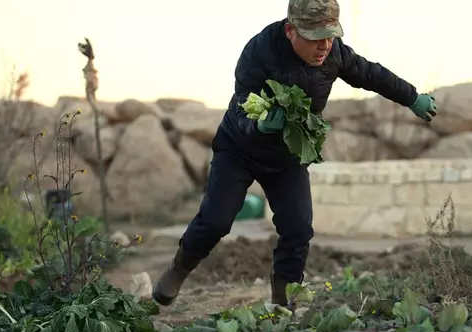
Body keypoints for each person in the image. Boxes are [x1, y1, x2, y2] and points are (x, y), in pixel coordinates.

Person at [152, 0, 438, 308]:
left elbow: (371, 74)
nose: (325, 46)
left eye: (331, 35)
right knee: (216, 221)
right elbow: (241, 105)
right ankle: (178, 269)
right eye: (316, 38)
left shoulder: (335, 52)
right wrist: (260, 127)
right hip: (239, 150)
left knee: (298, 228)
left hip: (288, 155)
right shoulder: (259, 52)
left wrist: (412, 97)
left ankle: (282, 303)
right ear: (291, 31)